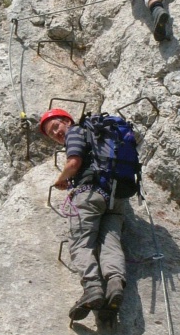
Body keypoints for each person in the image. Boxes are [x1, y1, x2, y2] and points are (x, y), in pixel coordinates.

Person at [40, 108, 126, 321]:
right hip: (115, 198)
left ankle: (92, 287)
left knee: (81, 243)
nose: (57, 134)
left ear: (66, 120)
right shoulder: (98, 137)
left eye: (56, 127)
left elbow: (73, 163)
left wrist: (60, 179)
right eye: (52, 134)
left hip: (89, 196)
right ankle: (115, 284)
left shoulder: (75, 132)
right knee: (110, 243)